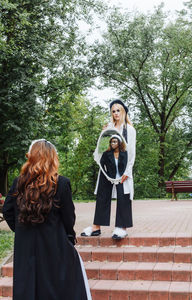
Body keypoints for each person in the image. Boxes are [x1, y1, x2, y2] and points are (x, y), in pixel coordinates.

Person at [3, 139, 91, 300]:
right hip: (54, 244)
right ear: (53, 158)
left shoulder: (19, 182)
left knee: (28, 287)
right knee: (55, 287)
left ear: (31, 157)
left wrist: (22, 230)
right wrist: (69, 238)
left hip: (26, 246)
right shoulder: (61, 183)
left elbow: (7, 210)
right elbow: (68, 217)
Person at [81, 99, 136, 239]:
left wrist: (127, 172)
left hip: (123, 168)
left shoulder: (129, 129)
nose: (116, 113)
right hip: (108, 167)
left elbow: (132, 152)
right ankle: (96, 227)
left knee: (123, 195)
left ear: (123, 111)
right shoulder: (108, 128)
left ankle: (121, 227)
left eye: (118, 110)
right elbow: (101, 147)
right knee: (102, 194)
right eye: (113, 111)